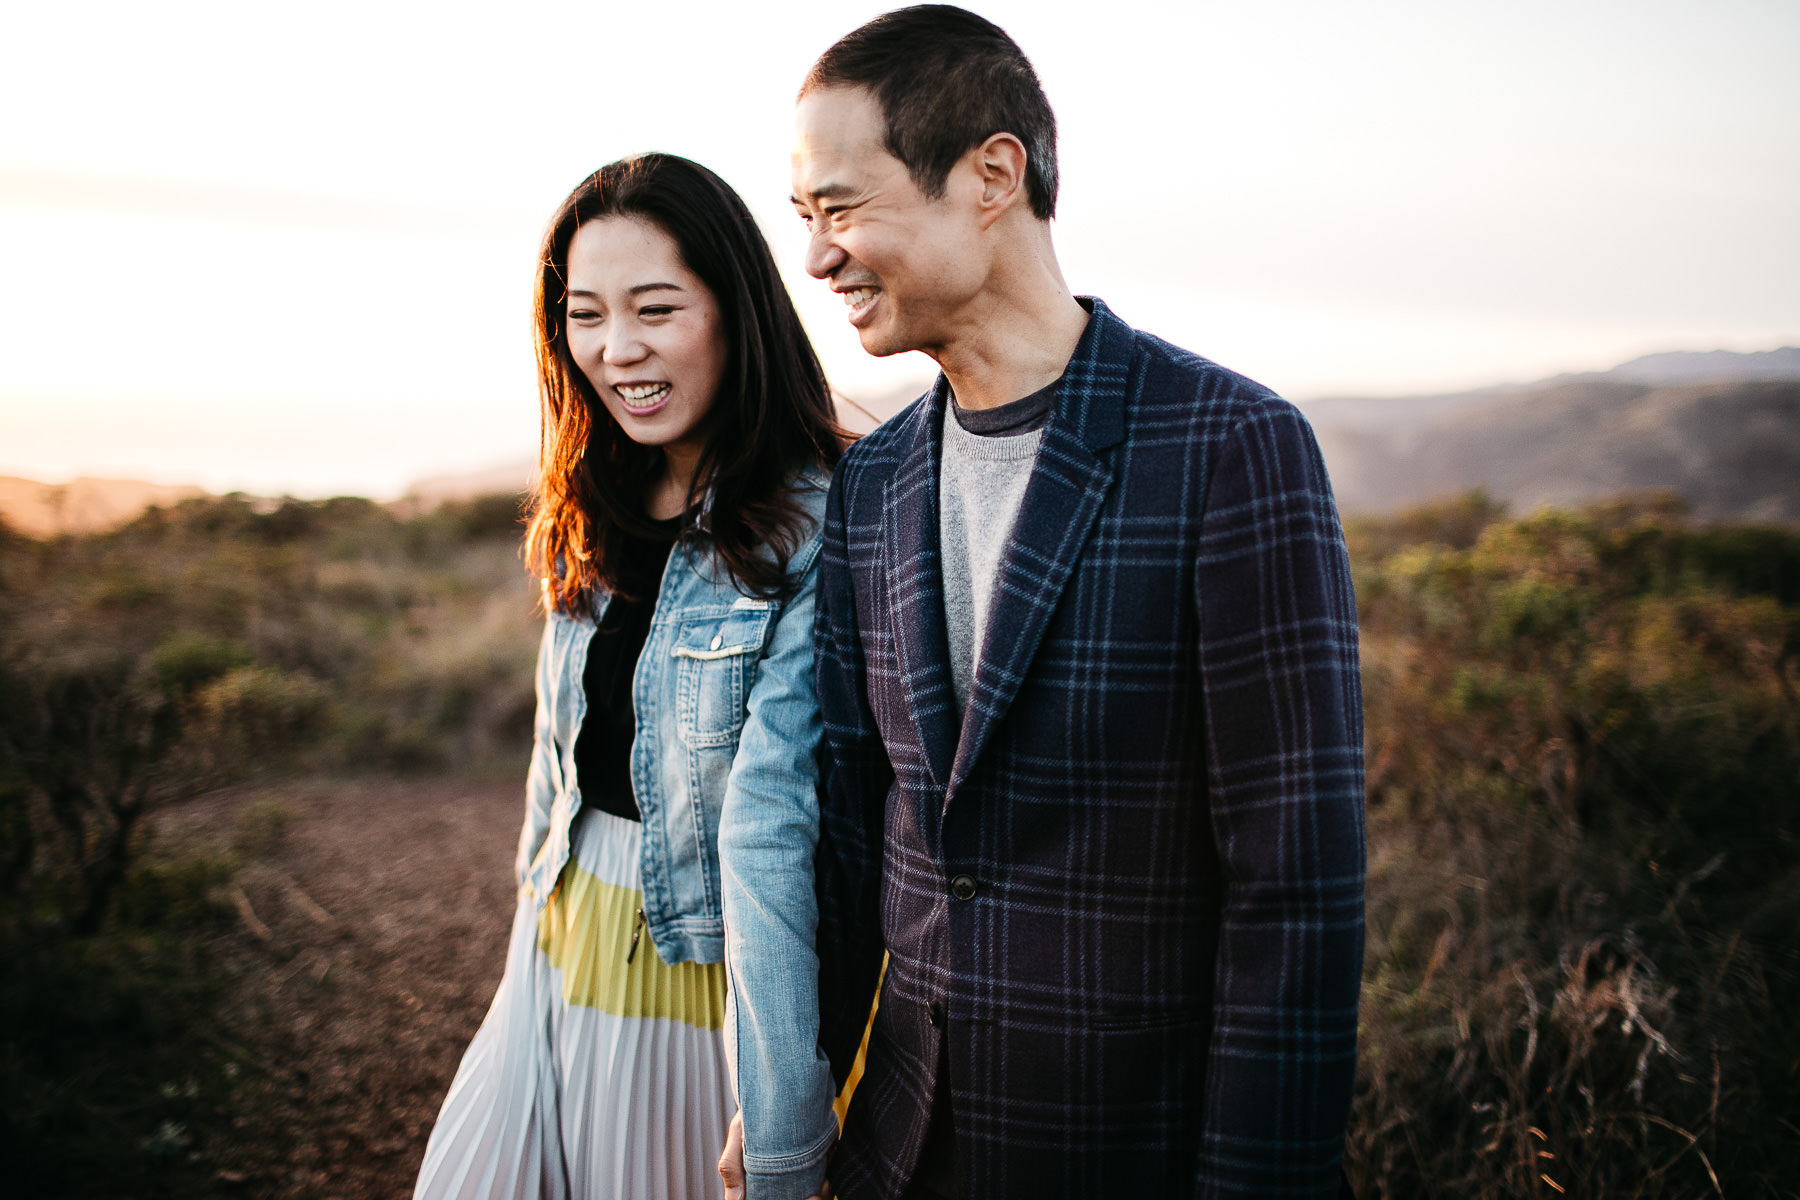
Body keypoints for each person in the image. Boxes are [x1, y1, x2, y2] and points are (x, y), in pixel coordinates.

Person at [791, 7, 1367, 1198]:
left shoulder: (1232, 446)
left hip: (1125, 1154)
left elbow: (1294, 888)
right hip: (897, 1151)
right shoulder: (872, 480)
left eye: (842, 208)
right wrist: (791, 1097)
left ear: (991, 175)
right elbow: (853, 828)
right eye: (806, 219)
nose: (818, 256)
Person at [414, 152, 842, 1200]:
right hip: (561, 924)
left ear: (735, 310)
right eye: (585, 314)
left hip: (701, 968)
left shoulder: (818, 516)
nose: (616, 350)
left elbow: (777, 819)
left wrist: (783, 1092)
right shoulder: (597, 489)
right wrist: (528, 938)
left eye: (656, 308)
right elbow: (555, 756)